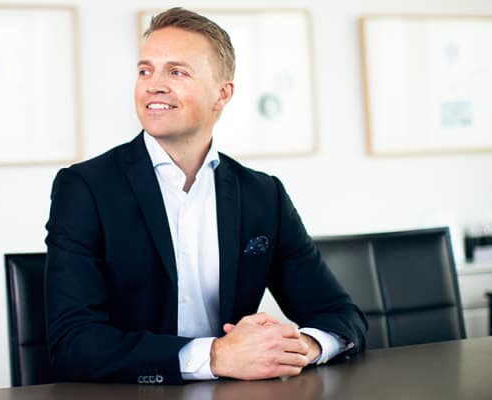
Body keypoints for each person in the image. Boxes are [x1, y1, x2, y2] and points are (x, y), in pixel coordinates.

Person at [44, 7, 367, 384]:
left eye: (176, 72)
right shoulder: (86, 188)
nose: (153, 85)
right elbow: (73, 344)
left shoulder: (264, 195)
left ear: (222, 94)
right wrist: (214, 356)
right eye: (145, 70)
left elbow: (341, 316)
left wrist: (302, 346)